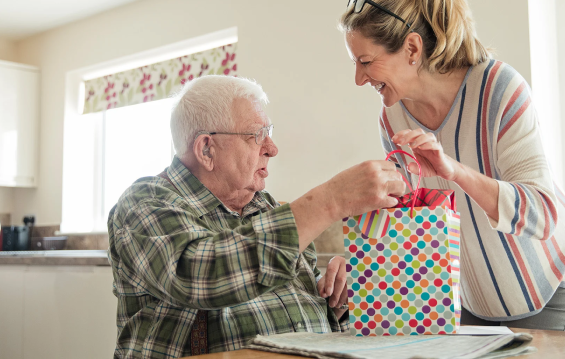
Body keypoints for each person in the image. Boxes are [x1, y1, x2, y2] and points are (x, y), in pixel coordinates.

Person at [335, 0, 565, 331]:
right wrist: (361, 263)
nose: (359, 78)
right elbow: (408, 217)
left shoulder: (499, 90)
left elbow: (542, 214)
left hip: (547, 283)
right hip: (471, 300)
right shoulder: (392, 118)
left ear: (412, 50)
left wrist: (456, 172)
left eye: (366, 61)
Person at [107, 75, 404, 358]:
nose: (272, 149)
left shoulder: (270, 209)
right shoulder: (146, 201)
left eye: (269, 134)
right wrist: (328, 201)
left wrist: (336, 298)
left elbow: (308, 310)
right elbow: (199, 276)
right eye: (256, 136)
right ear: (206, 149)